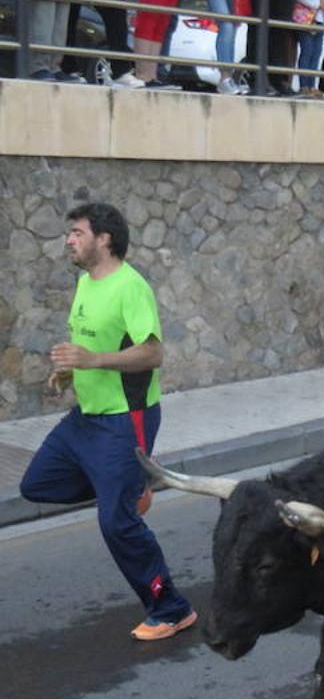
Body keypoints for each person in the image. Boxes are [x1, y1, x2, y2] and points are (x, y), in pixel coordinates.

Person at [20, 204, 197, 641]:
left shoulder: (131, 287)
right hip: (85, 420)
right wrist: (69, 371)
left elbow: (152, 353)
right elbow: (88, 346)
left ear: (104, 239)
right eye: (69, 233)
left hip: (124, 420)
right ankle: (130, 484)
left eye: (77, 232)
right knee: (37, 485)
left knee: (116, 523)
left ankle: (171, 607)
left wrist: (93, 360)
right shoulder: (84, 283)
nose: (68, 239)